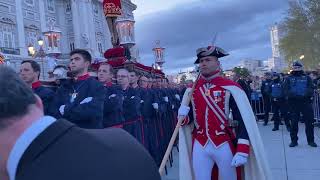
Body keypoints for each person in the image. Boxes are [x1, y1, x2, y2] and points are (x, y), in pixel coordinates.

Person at [0, 66, 161, 180]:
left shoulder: (112, 91)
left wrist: (71, 108)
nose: (122, 79)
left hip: (131, 125)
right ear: (37, 103)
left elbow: (114, 107)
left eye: (124, 76)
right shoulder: (125, 144)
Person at [178, 46, 270, 180]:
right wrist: (182, 116)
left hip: (223, 142)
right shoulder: (192, 90)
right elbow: (189, 119)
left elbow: (243, 119)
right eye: (201, 60)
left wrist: (242, 150)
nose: (203, 63)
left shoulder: (231, 87)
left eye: (208, 60)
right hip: (200, 143)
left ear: (218, 63)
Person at [49, 49, 104, 129]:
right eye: (71, 60)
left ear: (87, 64)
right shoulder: (64, 86)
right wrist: (79, 107)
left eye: (77, 59)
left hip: (88, 134)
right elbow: (53, 111)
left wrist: (65, 109)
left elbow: (92, 112)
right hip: (67, 132)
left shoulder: (97, 86)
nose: (72, 62)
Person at [284, 61, 317, 147]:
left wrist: (305, 95)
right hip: (294, 103)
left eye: (298, 68)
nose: (296, 69)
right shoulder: (288, 78)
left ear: (301, 68)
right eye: (295, 68)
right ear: (293, 68)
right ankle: (294, 141)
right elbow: (286, 89)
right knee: (294, 123)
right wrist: (294, 95)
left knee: (309, 123)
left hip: (305, 102)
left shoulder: (307, 78)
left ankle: (311, 141)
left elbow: (311, 88)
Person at [117, 69, 143, 143]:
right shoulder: (112, 90)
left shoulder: (134, 92)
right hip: (116, 129)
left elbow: (134, 109)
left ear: (128, 79)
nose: (120, 78)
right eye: (118, 76)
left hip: (131, 127)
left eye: (123, 76)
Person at [97, 63, 124, 128]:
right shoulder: (94, 89)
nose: (101, 73)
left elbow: (111, 106)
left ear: (111, 75)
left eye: (104, 71)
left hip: (112, 128)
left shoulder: (116, 89)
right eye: (99, 71)